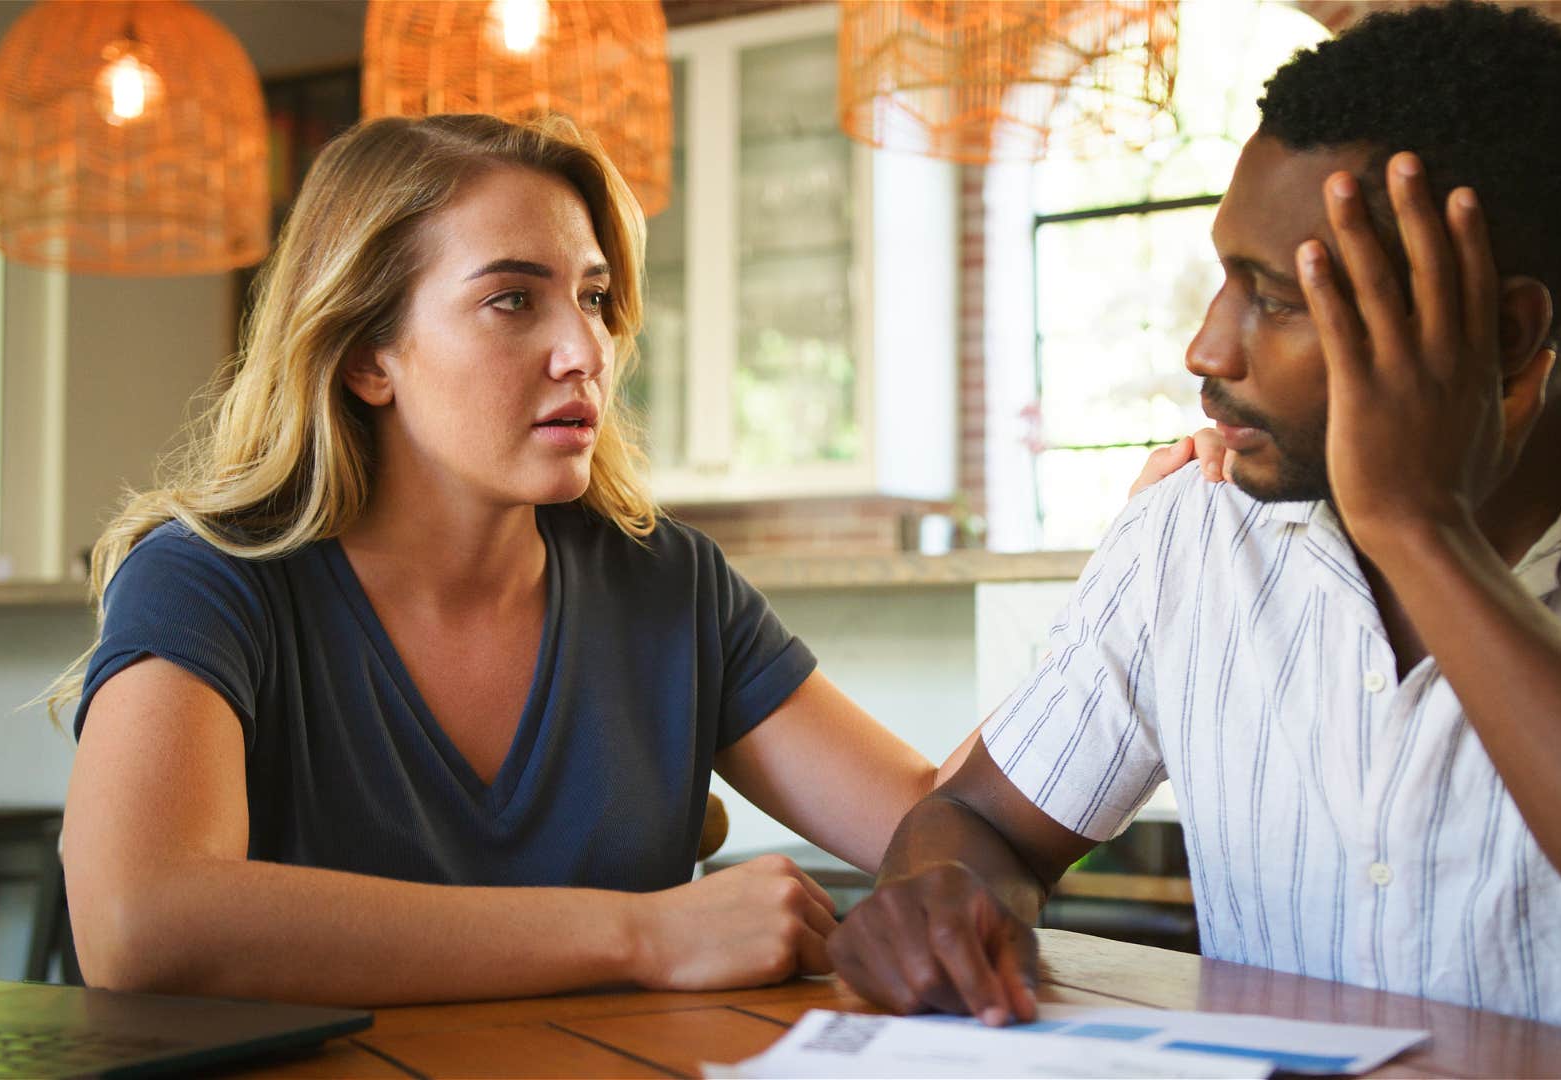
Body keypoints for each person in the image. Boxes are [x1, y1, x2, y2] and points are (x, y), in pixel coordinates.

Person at [827, 3, 1561, 1076]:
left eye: (1277, 300)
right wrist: (937, 900)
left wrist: (1421, 530)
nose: (1207, 345)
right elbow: (977, 819)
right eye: (1227, 277)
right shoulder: (1193, 535)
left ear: (1506, 336)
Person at [52, 113, 989, 1006]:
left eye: (592, 297)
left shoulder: (670, 585)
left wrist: (1126, 586)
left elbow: (937, 823)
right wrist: (646, 934)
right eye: (511, 300)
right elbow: (139, 924)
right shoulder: (209, 578)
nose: (586, 349)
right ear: (368, 357)